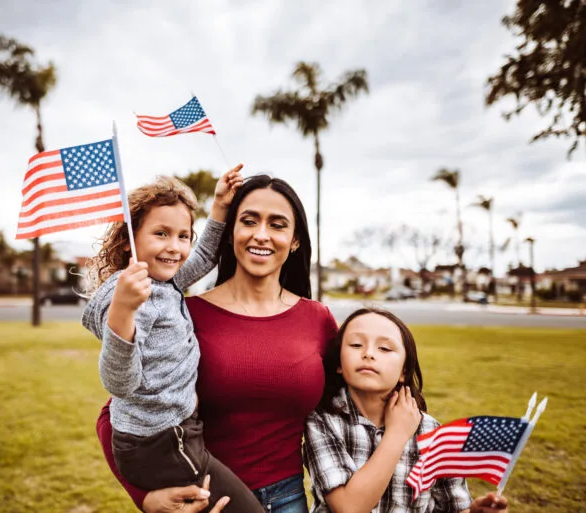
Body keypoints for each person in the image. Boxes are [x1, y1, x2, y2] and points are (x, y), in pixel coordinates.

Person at [96, 174, 339, 513]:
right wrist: (145, 498)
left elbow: (347, 410)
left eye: (278, 224)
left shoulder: (318, 320)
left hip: (290, 500)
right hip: (203, 498)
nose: (261, 234)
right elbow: (115, 414)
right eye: (249, 221)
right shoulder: (186, 314)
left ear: (295, 239)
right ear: (231, 232)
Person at [83, 166, 264, 513]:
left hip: (171, 432)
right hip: (161, 441)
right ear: (129, 240)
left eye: (183, 235)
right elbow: (120, 383)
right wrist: (122, 313)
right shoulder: (137, 298)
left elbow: (205, 257)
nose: (175, 247)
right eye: (161, 234)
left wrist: (220, 207)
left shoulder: (164, 284)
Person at [304, 307, 510, 513]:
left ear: (404, 370)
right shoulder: (322, 421)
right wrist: (397, 434)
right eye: (356, 345)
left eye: (384, 348)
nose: (368, 353)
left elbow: (454, 507)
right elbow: (349, 508)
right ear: (339, 362)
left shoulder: (431, 432)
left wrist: (476, 512)